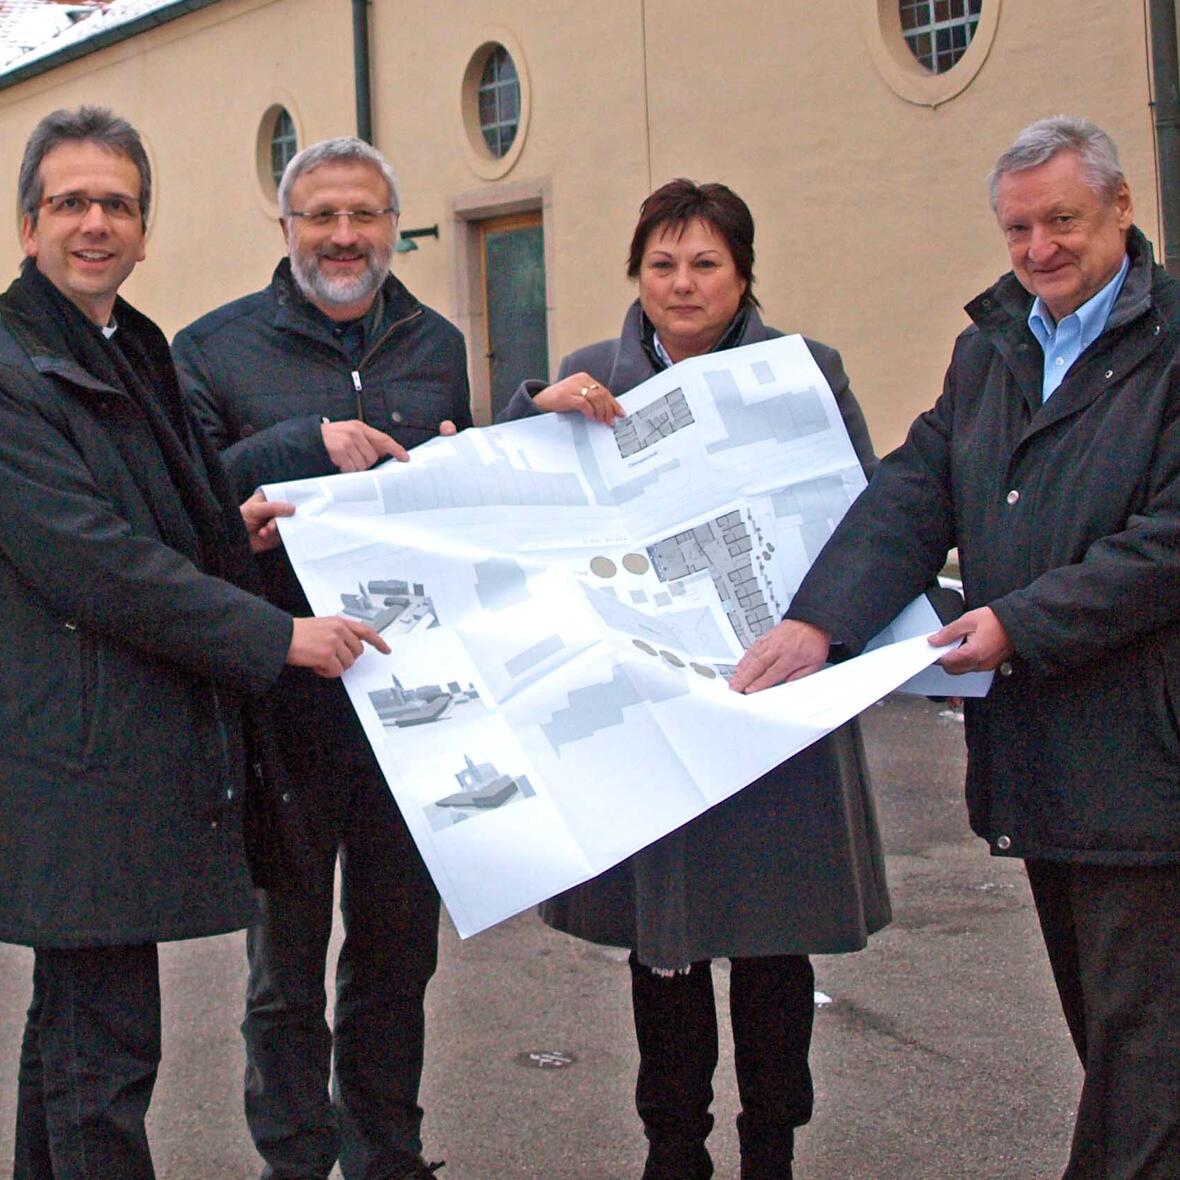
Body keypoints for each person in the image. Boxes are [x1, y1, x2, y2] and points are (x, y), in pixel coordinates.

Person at [733, 116, 1180, 1178]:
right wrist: (818, 619)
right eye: (1017, 227)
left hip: (1148, 758)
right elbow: (912, 487)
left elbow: (1167, 540)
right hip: (1043, 753)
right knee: (1112, 1034)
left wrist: (1022, 621)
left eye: (1062, 220)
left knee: (1144, 1050)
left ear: (1121, 209)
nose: (1038, 249)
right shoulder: (992, 347)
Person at [0, 106, 387, 1180]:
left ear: (142, 225)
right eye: (71, 202)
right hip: (74, 762)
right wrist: (279, 636)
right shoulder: (11, 366)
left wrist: (233, 525)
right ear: (27, 225)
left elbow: (142, 514)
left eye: (117, 204)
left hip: (107, 754)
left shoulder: (125, 344)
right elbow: (92, 560)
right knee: (104, 1056)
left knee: (75, 1037)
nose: (96, 223)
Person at [498, 179, 890, 1180]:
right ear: (636, 271)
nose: (682, 283)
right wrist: (537, 420)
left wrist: (825, 630)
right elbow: (514, 504)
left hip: (772, 700)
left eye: (705, 262)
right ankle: (673, 1146)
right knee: (663, 949)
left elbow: (857, 514)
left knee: (771, 942)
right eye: (662, 262)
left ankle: (772, 1145)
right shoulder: (588, 376)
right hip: (654, 707)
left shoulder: (803, 372)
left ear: (743, 273)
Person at [173, 137, 471, 1180]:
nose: (343, 236)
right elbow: (185, 504)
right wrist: (306, 438)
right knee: (285, 972)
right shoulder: (209, 350)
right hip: (284, 704)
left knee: (397, 958)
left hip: (409, 707)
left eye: (365, 215)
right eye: (321, 217)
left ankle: (389, 1153)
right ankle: (294, 1160)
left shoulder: (437, 343)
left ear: (394, 224)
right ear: (286, 227)